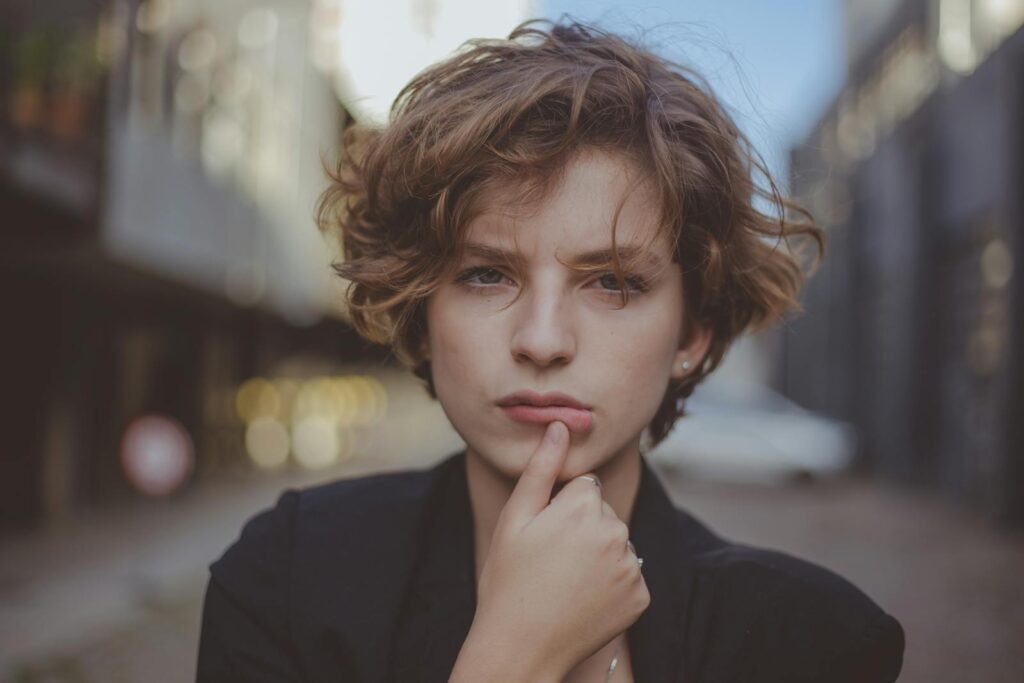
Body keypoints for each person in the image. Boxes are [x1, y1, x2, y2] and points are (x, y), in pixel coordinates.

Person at [196, 19, 905, 683]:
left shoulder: (812, 643)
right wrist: (512, 655)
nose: (541, 340)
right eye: (487, 274)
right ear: (420, 311)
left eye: (613, 282)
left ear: (693, 333)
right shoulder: (286, 578)